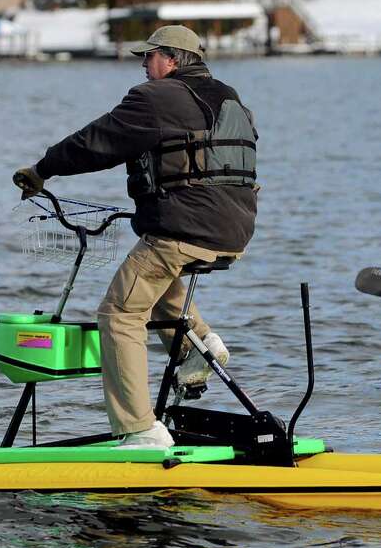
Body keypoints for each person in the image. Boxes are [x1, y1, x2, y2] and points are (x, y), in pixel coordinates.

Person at [15, 25, 258, 449]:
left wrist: (42, 170)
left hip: (186, 229)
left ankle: (139, 429)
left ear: (171, 59)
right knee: (150, 271)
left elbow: (97, 142)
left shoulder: (157, 97)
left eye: (148, 57)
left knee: (119, 313)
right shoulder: (229, 97)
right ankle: (199, 345)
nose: (144, 66)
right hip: (234, 230)